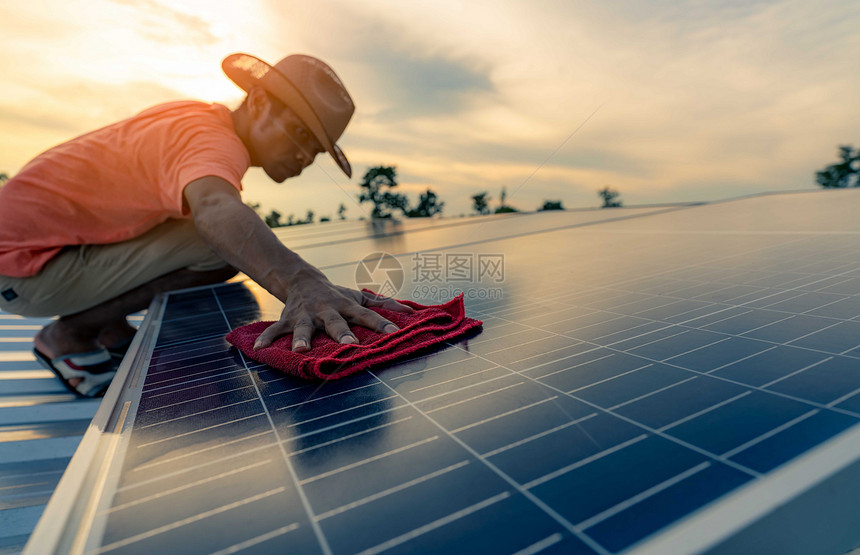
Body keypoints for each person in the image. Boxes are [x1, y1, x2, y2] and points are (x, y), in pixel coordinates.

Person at [0, 53, 413, 397]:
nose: (305, 156)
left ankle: (109, 328)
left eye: (316, 149)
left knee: (221, 236)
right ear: (257, 103)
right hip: (22, 264)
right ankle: (69, 337)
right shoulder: (213, 140)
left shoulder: (197, 120)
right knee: (217, 242)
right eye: (300, 133)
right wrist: (303, 282)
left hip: (41, 248)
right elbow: (216, 211)